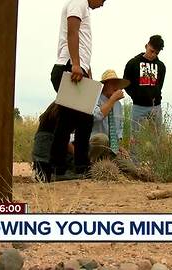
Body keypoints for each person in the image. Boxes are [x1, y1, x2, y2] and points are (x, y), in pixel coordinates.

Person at [49, 0, 106, 177]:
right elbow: (72, 31)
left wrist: (87, 72)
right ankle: (60, 168)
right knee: (69, 120)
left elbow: (83, 45)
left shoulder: (82, 7)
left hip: (78, 68)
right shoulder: (78, 2)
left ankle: (78, 168)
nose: (102, 4)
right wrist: (75, 64)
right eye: (103, 0)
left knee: (82, 120)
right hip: (69, 67)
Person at [89, 69, 140, 179]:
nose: (116, 87)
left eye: (117, 84)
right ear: (104, 85)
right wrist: (112, 100)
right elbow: (97, 116)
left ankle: (109, 169)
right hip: (93, 146)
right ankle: (88, 169)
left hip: (111, 149)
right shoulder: (94, 99)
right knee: (102, 138)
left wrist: (119, 147)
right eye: (113, 84)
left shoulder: (118, 105)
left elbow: (118, 129)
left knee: (131, 169)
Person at [123, 35, 166, 133]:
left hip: (156, 106)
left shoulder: (161, 66)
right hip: (138, 106)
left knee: (156, 138)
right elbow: (126, 82)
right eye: (151, 51)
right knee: (135, 138)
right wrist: (135, 96)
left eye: (156, 53)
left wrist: (155, 95)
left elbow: (160, 85)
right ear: (146, 46)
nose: (153, 55)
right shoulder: (133, 63)